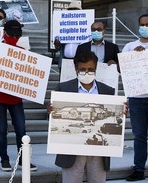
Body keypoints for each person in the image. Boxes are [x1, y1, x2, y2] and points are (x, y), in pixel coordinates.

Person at [47, 50, 115, 183]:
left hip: (98, 150)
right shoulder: (63, 89)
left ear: (96, 69)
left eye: (90, 69)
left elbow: (113, 117)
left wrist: (122, 112)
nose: (87, 72)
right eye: (82, 69)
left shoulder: (108, 91)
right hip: (71, 151)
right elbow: (56, 119)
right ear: (75, 69)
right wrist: (51, 111)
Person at [0, 20, 37, 172]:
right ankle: (4, 160)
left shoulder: (22, 49)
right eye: (11, 34)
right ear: (4, 33)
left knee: (21, 129)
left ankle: (23, 160)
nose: (14, 37)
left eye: (16, 35)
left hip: (15, 97)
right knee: (1, 130)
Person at [123, 14, 148, 182]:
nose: (144, 27)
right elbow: (123, 70)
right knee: (139, 137)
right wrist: (134, 57)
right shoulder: (130, 46)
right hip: (136, 98)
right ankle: (138, 169)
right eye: (142, 24)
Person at [54, 0, 83, 73]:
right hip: (65, 61)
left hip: (80, 61)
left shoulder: (84, 26)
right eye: (71, 10)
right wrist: (57, 44)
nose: (73, 12)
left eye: (75, 10)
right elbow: (57, 47)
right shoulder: (62, 25)